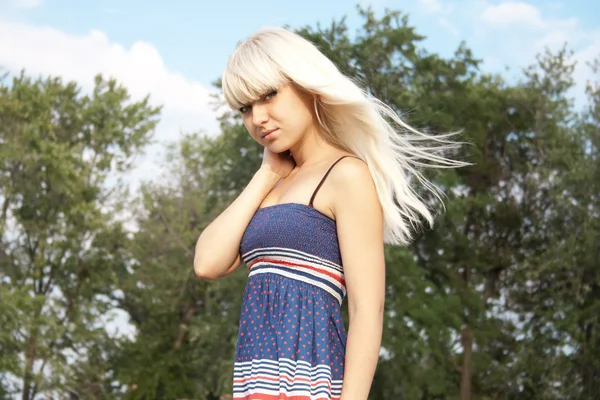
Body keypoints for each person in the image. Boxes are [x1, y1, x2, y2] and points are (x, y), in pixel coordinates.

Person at [193, 27, 465, 400]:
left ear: (305, 85)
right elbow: (207, 263)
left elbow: (369, 310)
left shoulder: (347, 175)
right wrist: (265, 174)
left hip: (311, 385)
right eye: (245, 108)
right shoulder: (273, 185)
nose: (258, 118)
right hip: (255, 386)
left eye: (269, 95)